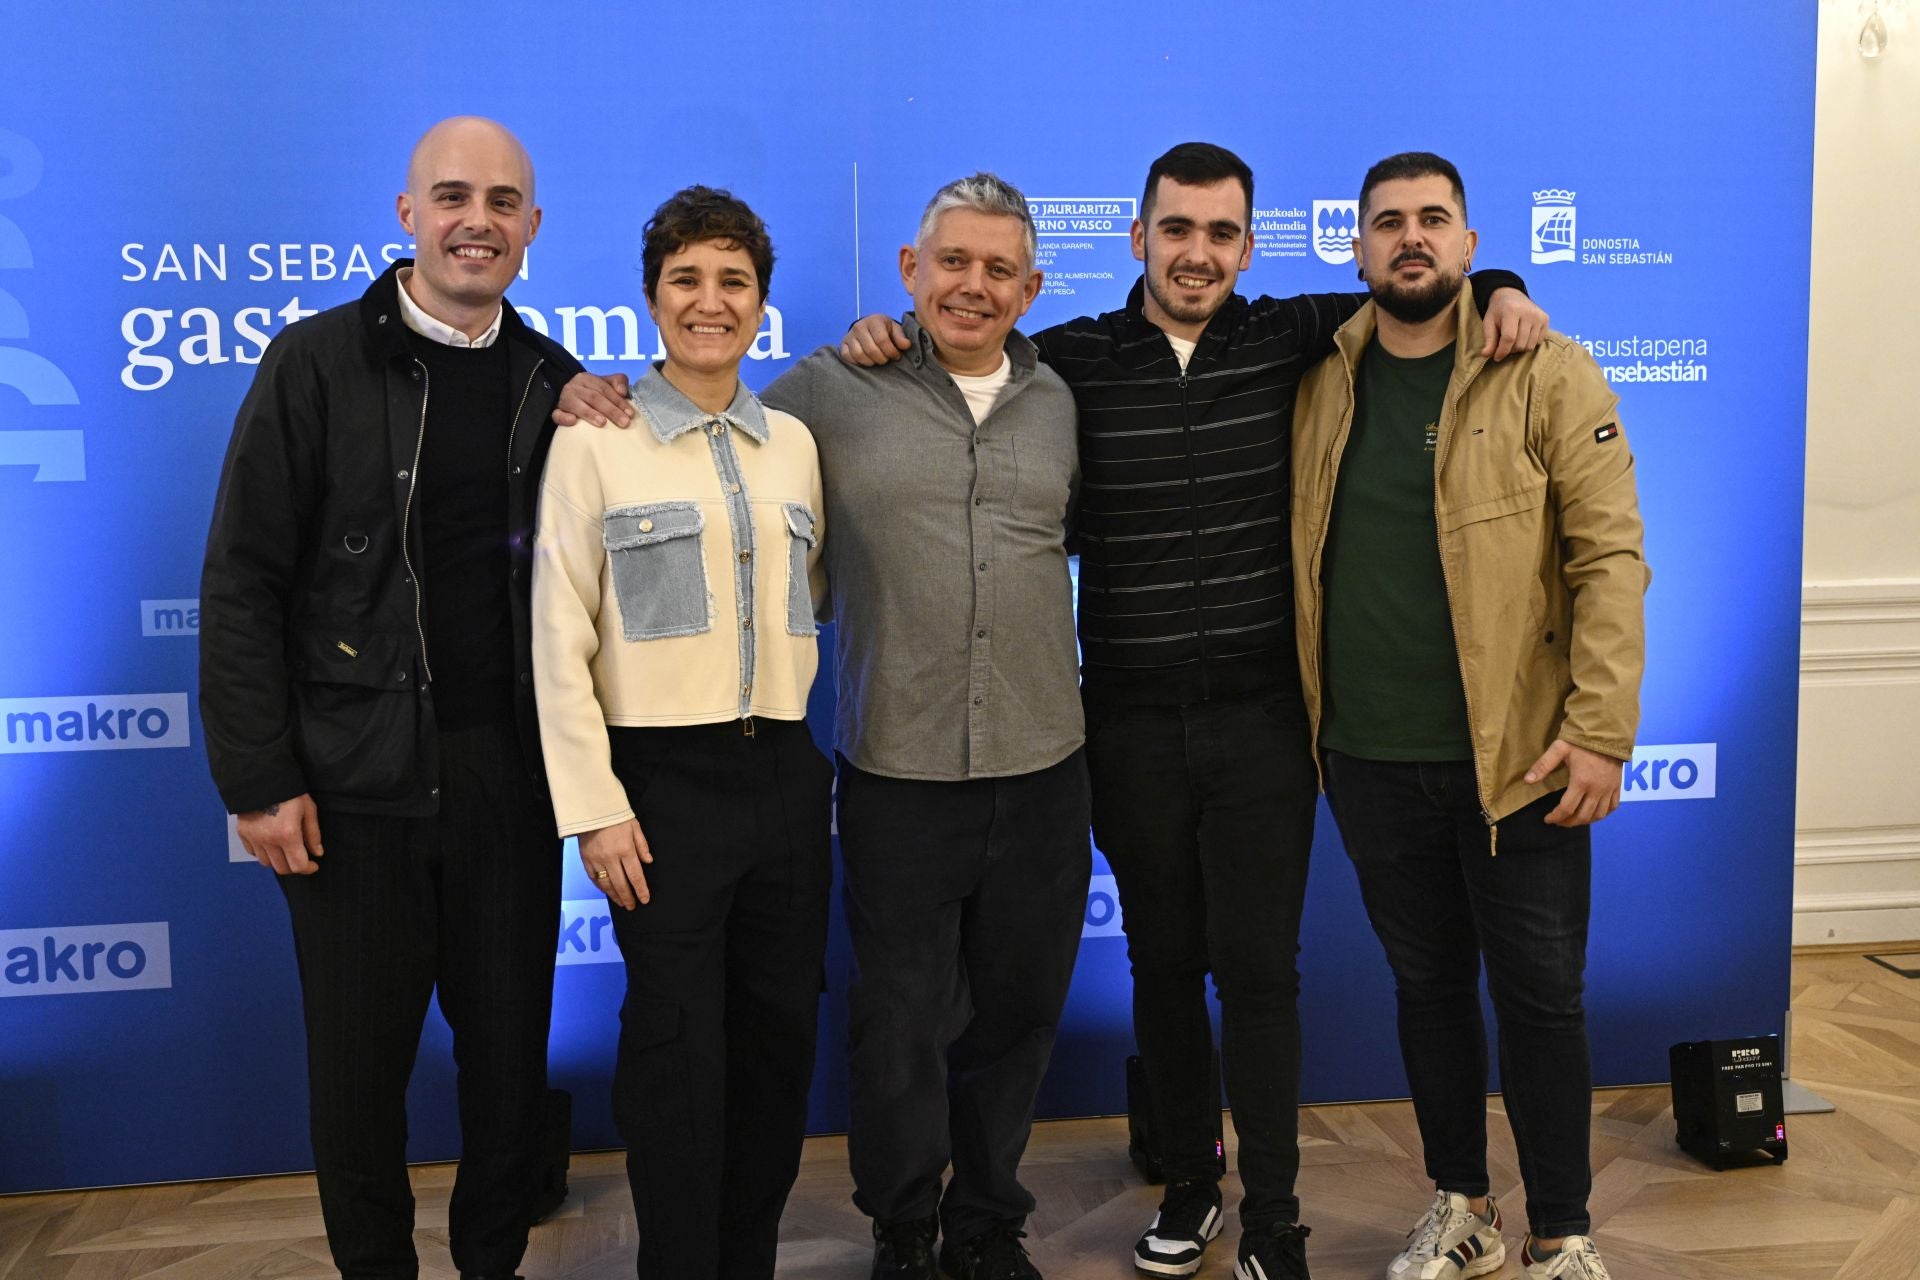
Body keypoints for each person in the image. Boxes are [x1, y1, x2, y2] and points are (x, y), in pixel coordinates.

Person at [838, 142, 1546, 1280]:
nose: (1199, 253)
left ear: (1249, 249)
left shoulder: (1294, 336)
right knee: (1163, 966)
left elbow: (1420, 280)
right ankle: (1189, 1185)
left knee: (1262, 972)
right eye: (1178, 230)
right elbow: (952, 349)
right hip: (1120, 720)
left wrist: (1504, 286)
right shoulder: (1062, 361)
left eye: (1222, 234)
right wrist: (889, 334)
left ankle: (1275, 1215)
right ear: (1139, 239)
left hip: (1264, 720)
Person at [555, 172, 1087, 1280]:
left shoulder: (1057, 398)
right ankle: (899, 1227)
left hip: (1029, 763)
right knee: (883, 1027)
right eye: (952, 261)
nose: (973, 286)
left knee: (1010, 1012)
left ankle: (984, 1222)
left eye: (998, 269)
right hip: (878, 764)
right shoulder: (824, 394)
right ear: (908, 269)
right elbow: (570, 606)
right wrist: (581, 391)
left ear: (1031, 285)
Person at [200, 117, 582, 1280]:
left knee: (508, 1064)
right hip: (352, 780)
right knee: (358, 1074)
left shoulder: (555, 382)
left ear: (532, 227)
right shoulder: (312, 362)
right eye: (454, 196)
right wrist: (259, 777)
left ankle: (491, 1263)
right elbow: (242, 579)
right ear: (407, 214)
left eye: (505, 200)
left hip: (509, 782)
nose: (481, 219)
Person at [1291, 151, 1648, 1280]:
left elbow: (1610, 557)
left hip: (1525, 759)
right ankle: (1464, 1206)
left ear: (1470, 240)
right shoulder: (1315, 376)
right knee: (1428, 989)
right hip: (1367, 755)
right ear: (1354, 248)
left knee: (1543, 999)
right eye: (1388, 222)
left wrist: (1600, 728)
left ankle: (1563, 1233)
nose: (1411, 238)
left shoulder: (1545, 367)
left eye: (1434, 220)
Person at [532, 185, 832, 1280]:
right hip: (661, 786)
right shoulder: (596, 440)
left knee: (775, 1047)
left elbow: (819, 589)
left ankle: (745, 1258)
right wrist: (597, 803)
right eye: (687, 280)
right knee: (675, 1053)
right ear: (652, 297)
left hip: (789, 777)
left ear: (762, 303)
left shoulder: (796, 442)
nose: (711, 302)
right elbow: (556, 632)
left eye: (734, 281)